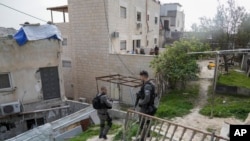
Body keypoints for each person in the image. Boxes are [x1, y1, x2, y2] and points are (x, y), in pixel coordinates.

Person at [135, 70, 157, 141]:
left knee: (143, 122)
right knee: (147, 121)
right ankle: (147, 135)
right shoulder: (151, 84)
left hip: (146, 107)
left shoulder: (147, 85)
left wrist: (141, 103)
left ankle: (142, 138)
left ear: (143, 76)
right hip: (149, 106)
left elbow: (147, 98)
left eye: (141, 76)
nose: (140, 78)